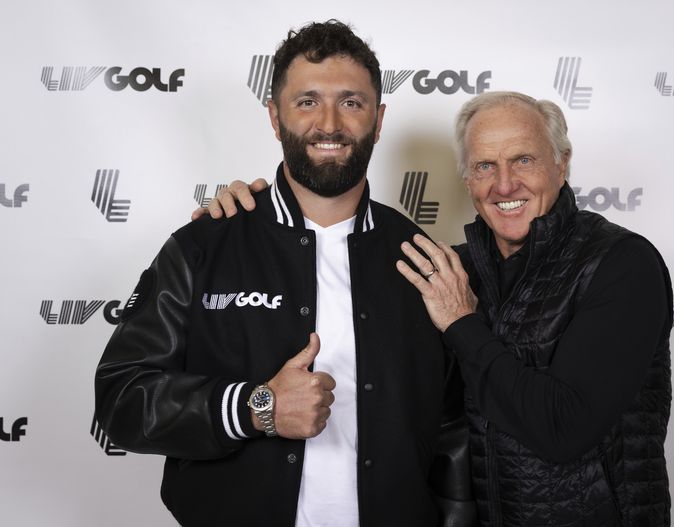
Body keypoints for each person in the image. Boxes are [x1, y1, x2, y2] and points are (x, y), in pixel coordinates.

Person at [209, 91, 673, 526]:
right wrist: (247, 220)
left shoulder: (620, 264)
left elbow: (562, 429)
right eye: (484, 166)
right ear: (466, 178)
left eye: (523, 160)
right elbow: (338, 274)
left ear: (562, 163)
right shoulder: (450, 267)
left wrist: (461, 322)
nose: (504, 183)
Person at [94, 20, 474, 527]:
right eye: (308, 101)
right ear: (275, 117)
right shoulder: (205, 245)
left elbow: (452, 426)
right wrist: (256, 406)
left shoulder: (422, 258)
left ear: (379, 120)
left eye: (352, 102)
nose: (330, 123)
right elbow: (121, 400)